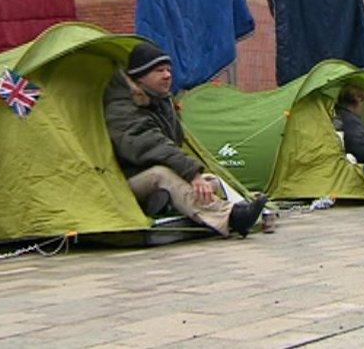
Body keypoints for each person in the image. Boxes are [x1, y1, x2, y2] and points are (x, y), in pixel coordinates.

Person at [104, 42, 268, 237]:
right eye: (159, 70)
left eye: (168, 70)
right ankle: (230, 217)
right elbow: (151, 144)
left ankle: (161, 202)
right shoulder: (121, 107)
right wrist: (191, 173)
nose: (167, 75)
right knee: (164, 175)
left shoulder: (161, 100)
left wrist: (195, 177)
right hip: (127, 179)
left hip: (158, 172)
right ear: (140, 76)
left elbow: (174, 142)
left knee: (212, 182)